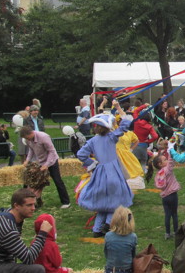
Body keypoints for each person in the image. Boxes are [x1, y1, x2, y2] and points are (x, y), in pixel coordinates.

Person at [76, 100, 134, 237]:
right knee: (115, 202)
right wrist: (120, 109)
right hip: (113, 173)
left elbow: (80, 154)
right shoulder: (111, 137)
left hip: (100, 173)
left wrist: (93, 164)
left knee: (103, 203)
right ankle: (107, 226)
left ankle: (97, 229)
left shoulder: (92, 141)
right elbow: (125, 125)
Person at [0, 188, 52, 273]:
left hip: (1, 261)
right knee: (37, 269)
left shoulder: (10, 214)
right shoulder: (8, 228)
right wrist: (42, 234)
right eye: (29, 205)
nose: (33, 208)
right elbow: (29, 258)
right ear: (16, 206)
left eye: (34, 204)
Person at [19, 126, 71, 209]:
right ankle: (29, 202)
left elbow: (52, 151)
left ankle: (66, 202)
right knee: (32, 182)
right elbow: (31, 150)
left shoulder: (43, 137)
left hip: (52, 161)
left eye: (26, 137)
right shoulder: (28, 140)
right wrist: (27, 160)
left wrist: (46, 165)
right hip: (40, 162)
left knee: (58, 181)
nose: (26, 139)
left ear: (31, 133)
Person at [153, 153, 181, 240]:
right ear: (160, 164)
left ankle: (167, 233)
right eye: (164, 160)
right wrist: (171, 153)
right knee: (174, 214)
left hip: (165, 197)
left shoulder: (159, 174)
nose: (167, 160)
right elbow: (171, 162)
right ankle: (176, 231)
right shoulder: (167, 170)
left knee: (167, 215)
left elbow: (158, 185)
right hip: (172, 195)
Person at [104, 206, 137, 273]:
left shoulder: (108, 236)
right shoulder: (133, 237)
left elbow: (106, 252)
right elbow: (133, 255)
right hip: (127, 270)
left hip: (111, 269)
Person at [132, 103, 159, 170]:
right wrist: (148, 141)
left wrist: (144, 106)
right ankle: (143, 173)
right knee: (143, 162)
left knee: (134, 162)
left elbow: (135, 111)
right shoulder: (149, 127)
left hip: (134, 144)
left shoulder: (136, 121)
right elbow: (155, 136)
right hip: (143, 145)